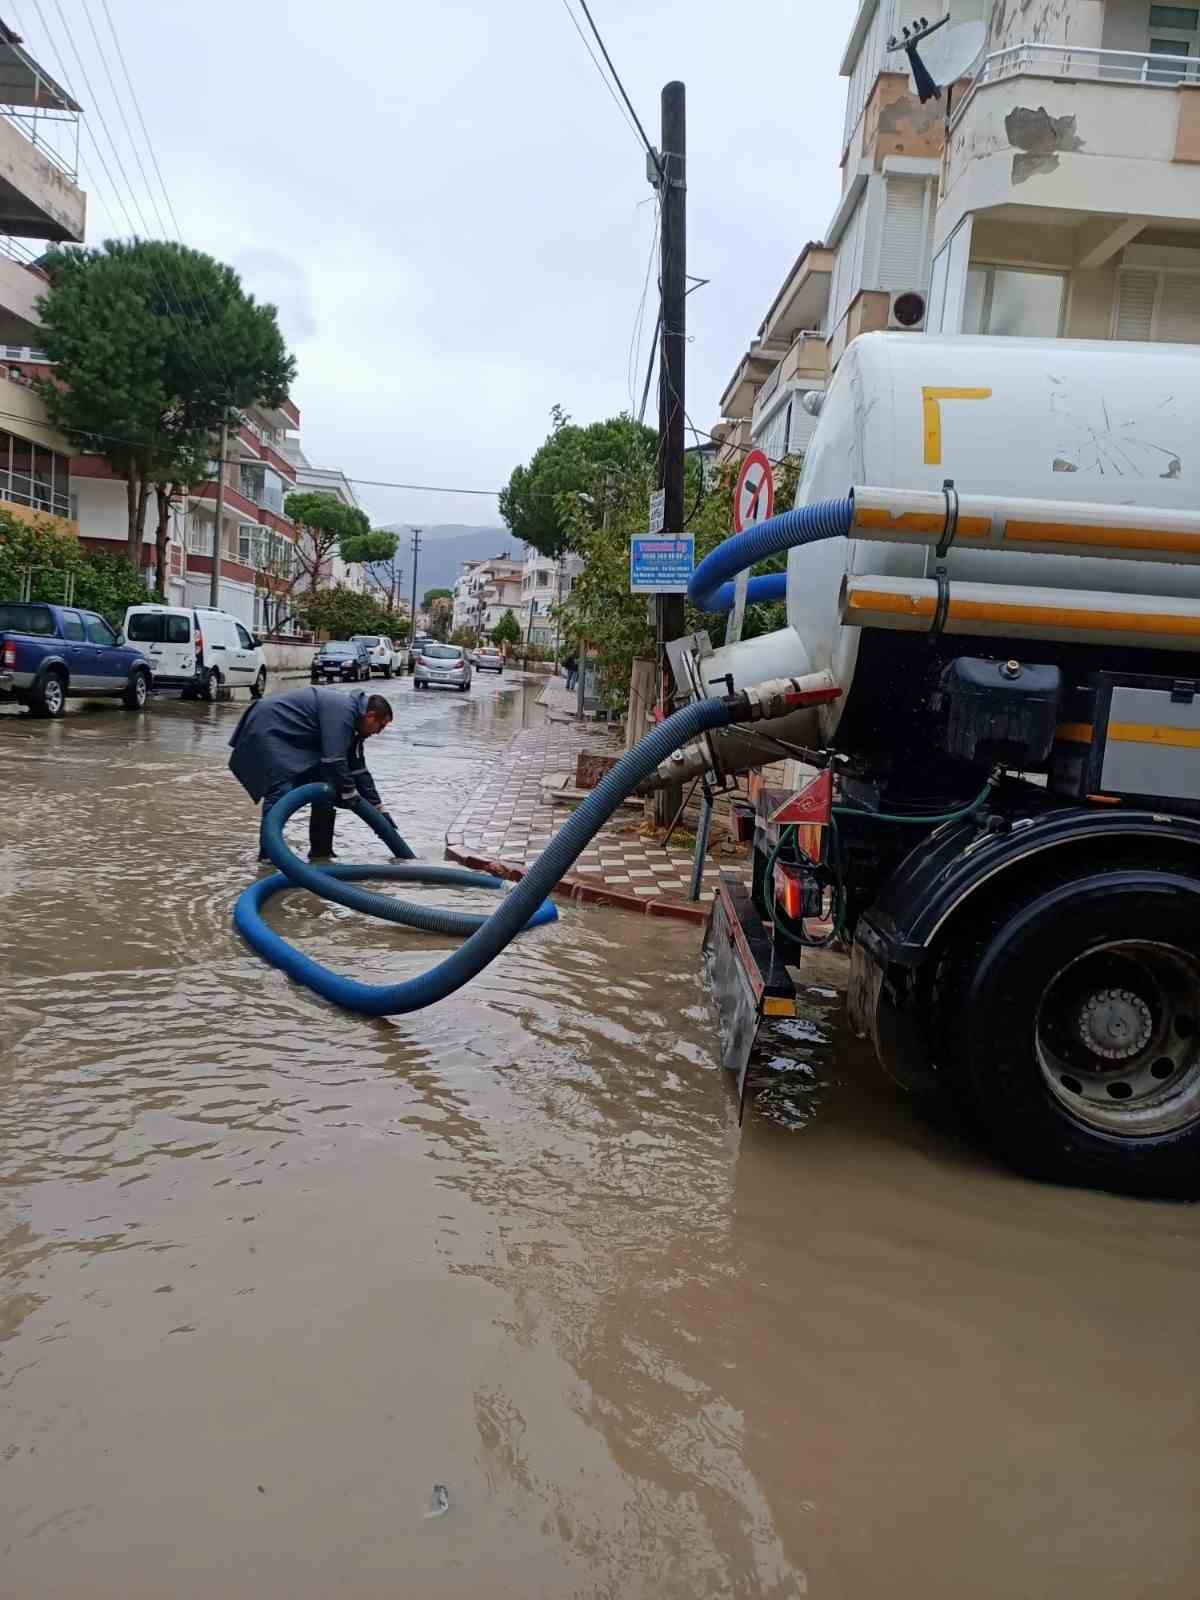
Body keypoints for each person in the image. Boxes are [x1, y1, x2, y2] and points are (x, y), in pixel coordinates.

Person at [228, 685, 394, 861]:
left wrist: (378, 809)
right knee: (281, 790)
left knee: (325, 792)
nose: (378, 733)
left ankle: (321, 854)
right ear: (370, 716)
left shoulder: (357, 723)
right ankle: (269, 856)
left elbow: (359, 770)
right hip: (268, 726)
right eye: (380, 726)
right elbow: (335, 759)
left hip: (295, 738)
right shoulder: (344, 712)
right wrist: (349, 792)